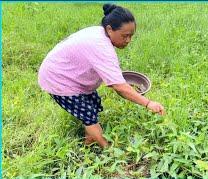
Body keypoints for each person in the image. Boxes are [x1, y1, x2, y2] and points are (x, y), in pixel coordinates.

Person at [38, 4, 165, 148]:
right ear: (110, 29)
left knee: (93, 105)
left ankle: (89, 141)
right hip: (58, 79)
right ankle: (107, 149)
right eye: (125, 36)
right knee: (89, 116)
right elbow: (119, 87)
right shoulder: (101, 46)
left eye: (131, 36)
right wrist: (148, 103)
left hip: (69, 73)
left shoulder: (99, 32)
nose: (128, 40)